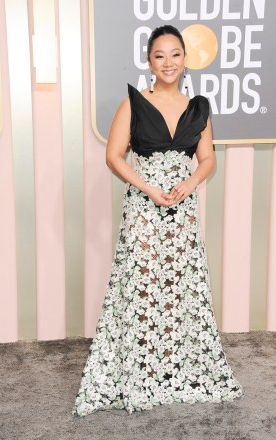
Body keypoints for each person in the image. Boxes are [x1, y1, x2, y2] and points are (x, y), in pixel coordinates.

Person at [72, 24, 244, 417]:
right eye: (159, 56)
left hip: (181, 207)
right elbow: (114, 156)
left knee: (180, 283)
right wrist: (148, 188)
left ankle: (173, 368)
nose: (168, 62)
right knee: (144, 284)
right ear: (149, 61)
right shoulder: (133, 102)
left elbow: (208, 159)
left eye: (175, 54)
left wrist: (189, 184)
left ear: (186, 60)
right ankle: (142, 368)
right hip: (144, 206)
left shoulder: (198, 106)